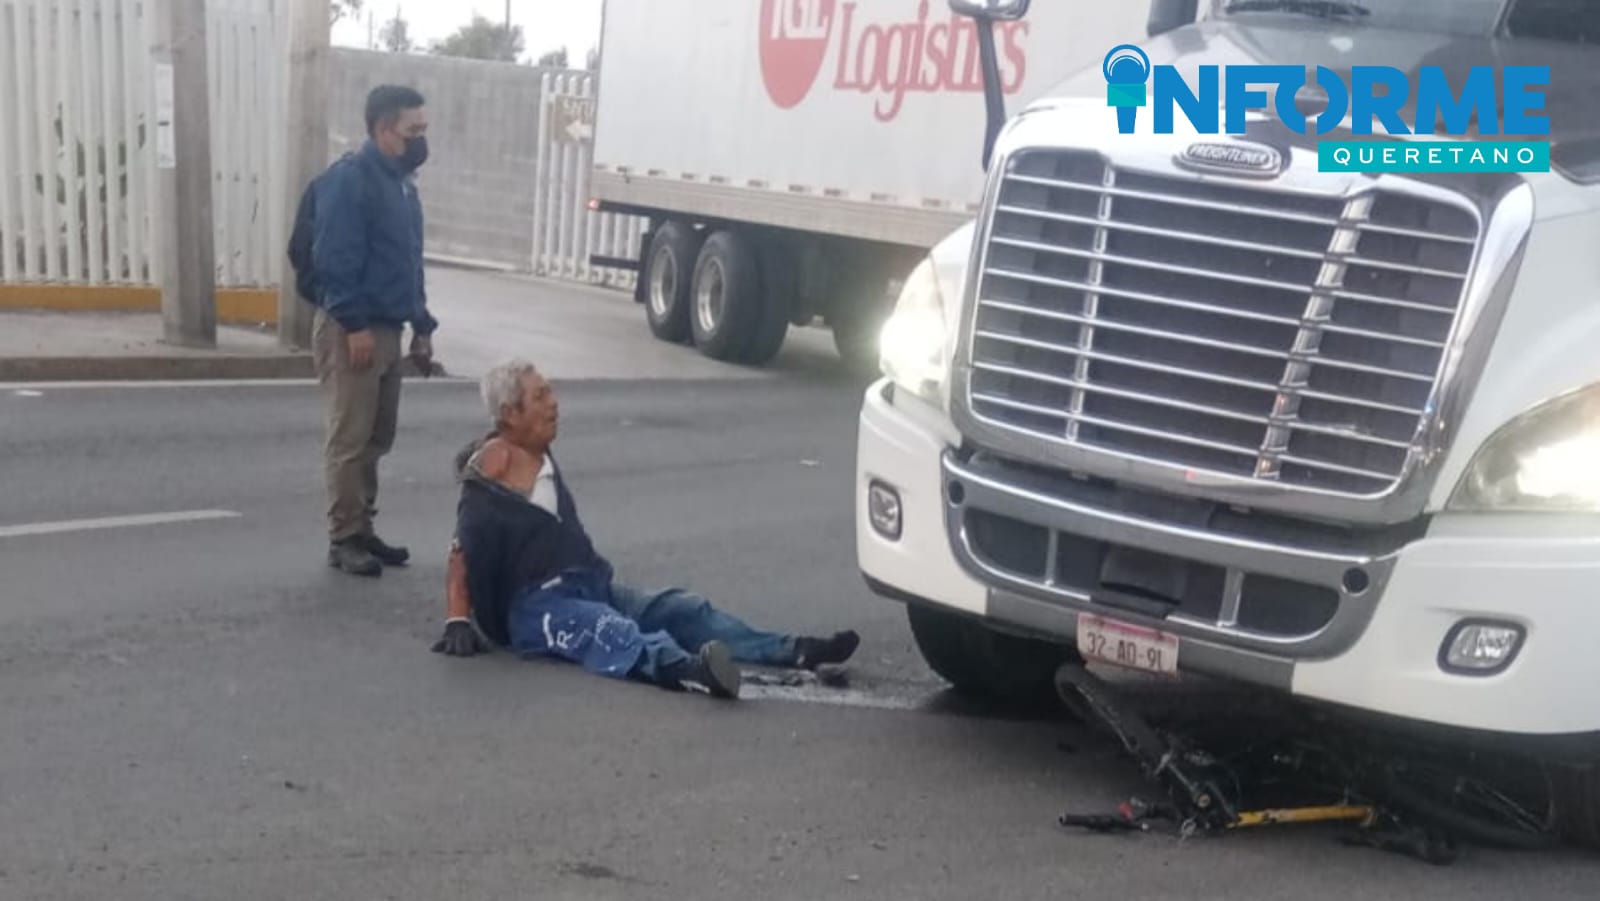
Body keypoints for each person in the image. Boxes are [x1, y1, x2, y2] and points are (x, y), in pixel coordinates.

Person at [431, 359, 860, 700]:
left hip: (588, 581)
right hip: (537, 608)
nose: (554, 403)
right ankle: (691, 670)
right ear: (509, 415)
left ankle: (795, 650)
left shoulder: (537, 447)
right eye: (540, 396)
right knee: (610, 630)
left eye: (550, 392)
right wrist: (457, 620)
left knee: (683, 609)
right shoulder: (485, 485)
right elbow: (461, 555)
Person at [311, 85, 439, 577]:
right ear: (384, 130)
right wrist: (354, 324)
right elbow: (334, 259)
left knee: (376, 439)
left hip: (390, 327)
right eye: (414, 131)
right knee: (349, 438)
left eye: (423, 130)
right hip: (354, 329)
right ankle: (343, 537)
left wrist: (422, 328)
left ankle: (363, 527)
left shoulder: (403, 184)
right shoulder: (351, 180)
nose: (421, 140)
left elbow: (410, 264)